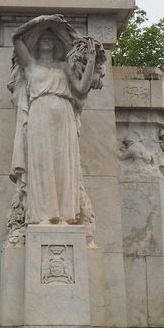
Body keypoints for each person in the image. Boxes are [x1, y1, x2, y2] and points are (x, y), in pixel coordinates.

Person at [7, 15, 103, 236]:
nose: (48, 40)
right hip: (39, 116)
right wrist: (41, 21)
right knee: (41, 164)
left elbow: (81, 88)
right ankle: (42, 215)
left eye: (52, 37)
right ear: (38, 42)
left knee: (64, 166)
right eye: (43, 37)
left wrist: (90, 62)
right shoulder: (30, 64)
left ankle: (65, 215)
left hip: (64, 116)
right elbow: (16, 38)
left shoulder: (63, 67)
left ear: (58, 44)